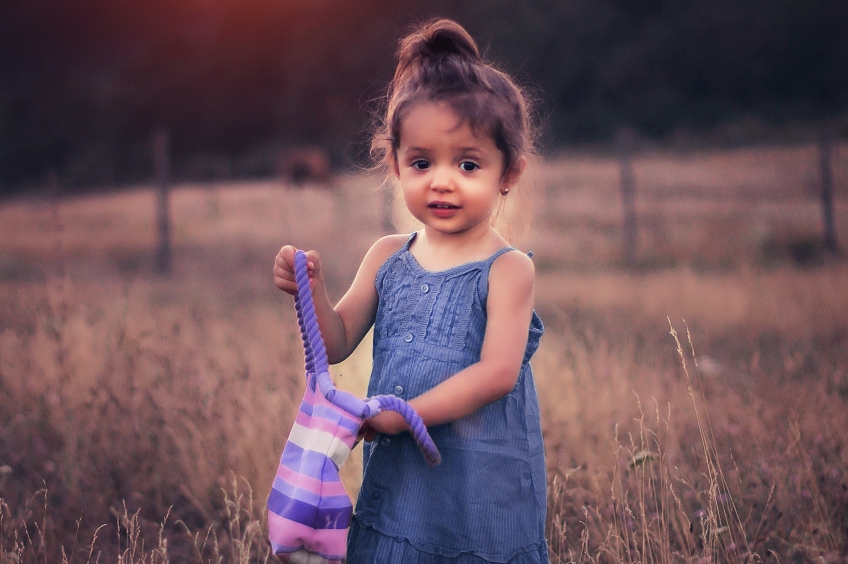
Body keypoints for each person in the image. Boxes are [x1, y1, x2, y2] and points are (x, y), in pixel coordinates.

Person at [273, 18, 548, 563]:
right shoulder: (386, 256)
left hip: (481, 485)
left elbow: (497, 374)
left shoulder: (507, 269)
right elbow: (335, 343)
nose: (441, 180)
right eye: (422, 162)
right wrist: (311, 292)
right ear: (396, 163)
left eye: (467, 164)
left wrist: (405, 414)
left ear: (508, 172)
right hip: (402, 482)